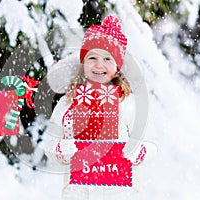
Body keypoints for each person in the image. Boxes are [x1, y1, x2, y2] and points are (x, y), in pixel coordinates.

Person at [44, 15, 147, 200]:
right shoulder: (69, 102)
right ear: (83, 63)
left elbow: (150, 140)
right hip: (78, 193)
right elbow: (50, 144)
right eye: (92, 57)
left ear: (117, 66)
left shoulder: (128, 103)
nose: (99, 64)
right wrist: (63, 149)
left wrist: (138, 151)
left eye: (108, 58)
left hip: (121, 193)